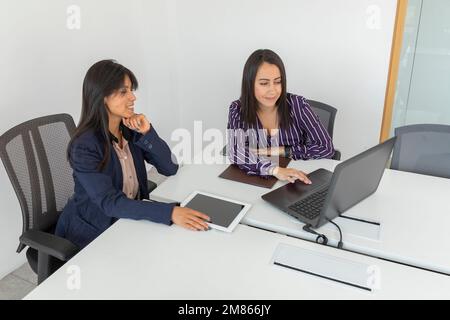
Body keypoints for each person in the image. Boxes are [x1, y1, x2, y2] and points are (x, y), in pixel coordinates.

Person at [55, 60, 209, 249]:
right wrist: (169, 213)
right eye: (123, 92)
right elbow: (110, 203)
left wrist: (146, 133)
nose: (133, 97)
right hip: (96, 231)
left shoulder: (129, 129)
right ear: (101, 96)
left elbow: (169, 168)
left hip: (129, 220)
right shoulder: (84, 146)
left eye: (131, 90)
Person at [227, 49, 335, 184]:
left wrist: (280, 150)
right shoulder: (237, 109)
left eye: (278, 82)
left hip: (296, 178)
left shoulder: (297, 105)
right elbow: (236, 152)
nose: (273, 90)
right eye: (264, 83)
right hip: (256, 180)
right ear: (249, 84)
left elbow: (326, 148)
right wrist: (275, 170)